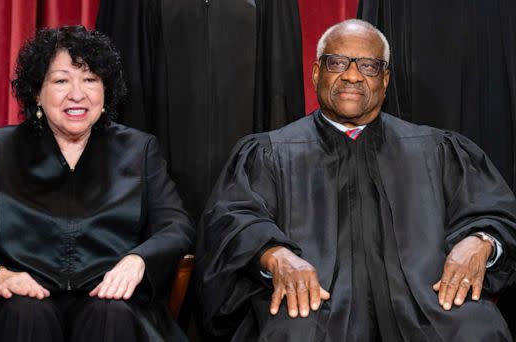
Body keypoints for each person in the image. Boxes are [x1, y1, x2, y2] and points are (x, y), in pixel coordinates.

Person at [197, 19, 516, 341]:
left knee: (478, 328)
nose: (352, 75)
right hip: (313, 303)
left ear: (386, 79)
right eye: (337, 63)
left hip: (428, 300)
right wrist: (274, 255)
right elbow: (233, 219)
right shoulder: (269, 153)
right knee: (291, 331)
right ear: (316, 73)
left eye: (369, 66)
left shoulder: (436, 150)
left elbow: (495, 213)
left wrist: (482, 241)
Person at [0, 26, 194, 342]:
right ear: (37, 92)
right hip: (19, 303)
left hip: (111, 300)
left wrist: (139, 260)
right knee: (25, 312)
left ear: (106, 90)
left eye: (90, 80)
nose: (77, 94)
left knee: (111, 313)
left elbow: (176, 227)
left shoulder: (139, 150)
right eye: (61, 81)